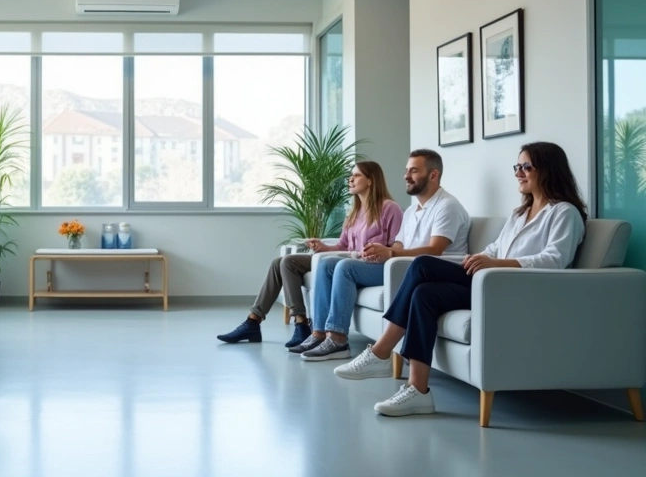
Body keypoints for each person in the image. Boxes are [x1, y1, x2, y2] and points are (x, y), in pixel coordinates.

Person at [334, 142, 587, 418]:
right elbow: (495, 249)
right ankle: (418, 391)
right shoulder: (519, 213)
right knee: (424, 294)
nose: (519, 173)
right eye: (518, 166)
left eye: (527, 166)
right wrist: (481, 258)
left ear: (548, 170)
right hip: (489, 282)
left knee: (421, 264)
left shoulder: (564, 213)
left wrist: (495, 264)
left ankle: (381, 352)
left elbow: (555, 259)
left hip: (513, 289)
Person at [293, 149, 472, 360]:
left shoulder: (447, 206)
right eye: (407, 171)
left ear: (433, 175)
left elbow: (435, 250)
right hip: (400, 266)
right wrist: (381, 252)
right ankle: (319, 333)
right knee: (326, 263)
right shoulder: (412, 211)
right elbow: (399, 243)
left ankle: (338, 340)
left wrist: (391, 252)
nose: (406, 176)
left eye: (414, 171)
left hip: (426, 271)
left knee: (345, 267)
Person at [217, 161, 404, 347]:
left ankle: (301, 326)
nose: (350, 179)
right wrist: (323, 247)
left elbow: (396, 246)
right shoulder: (353, 212)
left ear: (371, 180)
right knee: (282, 262)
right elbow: (343, 245)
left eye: (356, 176)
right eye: (351, 176)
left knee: (302, 263)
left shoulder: (389, 209)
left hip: (367, 265)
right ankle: (258, 321)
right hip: (344, 259)